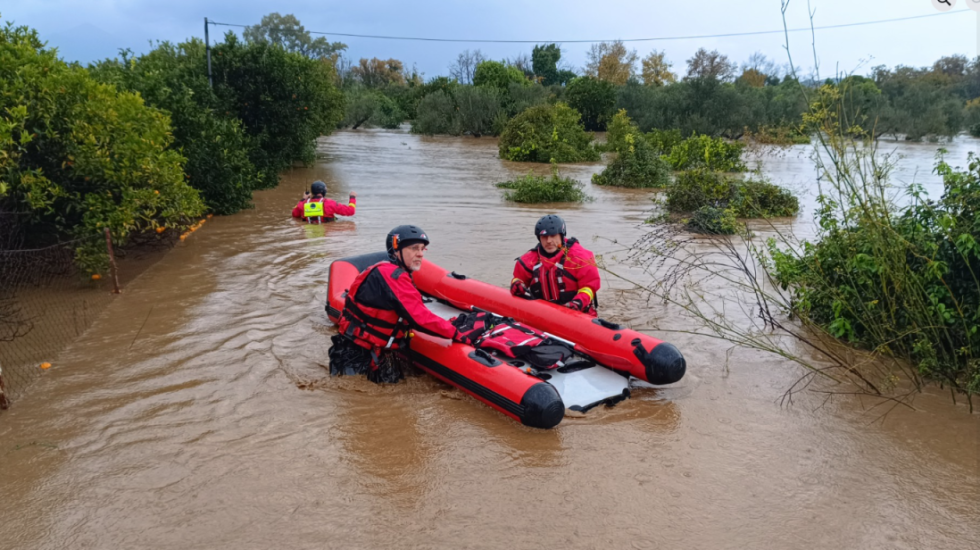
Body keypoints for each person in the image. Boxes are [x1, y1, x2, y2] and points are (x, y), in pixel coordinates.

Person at [329, 225, 475, 383]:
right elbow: (420, 318)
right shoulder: (393, 276)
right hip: (360, 355)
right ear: (396, 251)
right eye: (414, 248)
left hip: (357, 349)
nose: (420, 254)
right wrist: (456, 333)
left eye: (422, 249)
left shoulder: (385, 271)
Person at [511, 214, 601, 316]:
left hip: (576, 314)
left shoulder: (579, 257)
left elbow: (589, 287)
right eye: (544, 237)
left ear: (561, 235)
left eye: (553, 236)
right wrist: (517, 283)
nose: (549, 241)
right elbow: (518, 278)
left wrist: (578, 302)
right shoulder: (529, 260)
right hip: (542, 314)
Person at [291, 181, 356, 224]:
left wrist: (303, 199)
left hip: (309, 231)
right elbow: (351, 211)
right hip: (326, 232)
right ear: (323, 191)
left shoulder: (303, 204)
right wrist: (352, 197)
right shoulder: (329, 203)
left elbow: (294, 214)